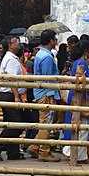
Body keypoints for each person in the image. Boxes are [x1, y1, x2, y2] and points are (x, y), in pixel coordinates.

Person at [29, 30, 61, 162]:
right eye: (55, 39)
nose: (56, 42)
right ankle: (44, 151)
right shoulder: (47, 57)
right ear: (51, 41)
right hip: (46, 93)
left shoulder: (40, 54)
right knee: (46, 123)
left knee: (44, 121)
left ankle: (35, 146)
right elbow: (48, 78)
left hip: (41, 92)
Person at [0, 36, 26, 160]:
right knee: (17, 125)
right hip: (10, 94)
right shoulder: (11, 59)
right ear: (10, 44)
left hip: (7, 94)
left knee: (10, 124)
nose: (19, 45)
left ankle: (13, 152)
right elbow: (11, 78)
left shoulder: (9, 58)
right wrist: (16, 96)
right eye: (16, 43)